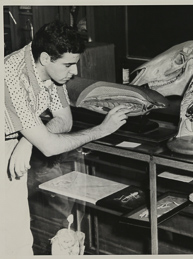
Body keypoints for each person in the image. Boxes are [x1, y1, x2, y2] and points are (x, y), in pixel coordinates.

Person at [4, 20, 130, 256]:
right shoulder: (11, 76)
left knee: (19, 234)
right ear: (45, 59)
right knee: (11, 238)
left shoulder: (51, 71)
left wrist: (28, 139)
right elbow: (50, 147)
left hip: (12, 139)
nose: (75, 72)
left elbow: (65, 119)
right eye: (69, 65)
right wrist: (101, 130)